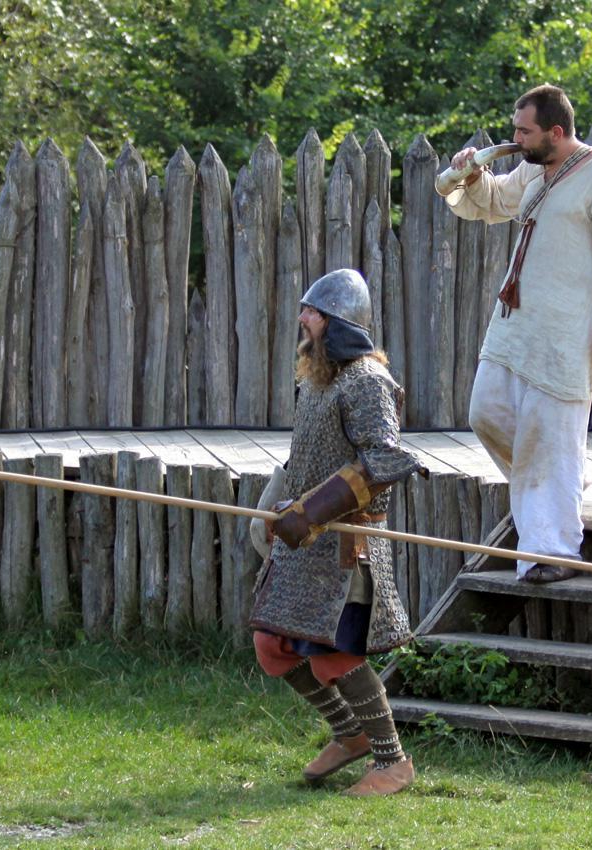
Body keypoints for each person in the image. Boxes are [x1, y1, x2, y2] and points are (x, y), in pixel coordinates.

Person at [439, 84, 592, 582]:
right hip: (515, 323)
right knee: (486, 411)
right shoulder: (533, 169)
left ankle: (552, 553)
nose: (515, 137)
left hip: (565, 330)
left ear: (556, 131)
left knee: (549, 437)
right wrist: (468, 172)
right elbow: (490, 203)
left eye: (524, 130)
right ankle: (564, 485)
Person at [249, 268, 426, 797]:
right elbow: (305, 459)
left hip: (348, 545)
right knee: (271, 644)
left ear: (339, 323)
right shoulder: (319, 380)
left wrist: (315, 510)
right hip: (307, 542)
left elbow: (385, 460)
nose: (303, 320)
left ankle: (393, 761)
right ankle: (349, 734)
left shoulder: (368, 381)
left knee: (332, 653)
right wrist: (281, 508)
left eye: (313, 313)